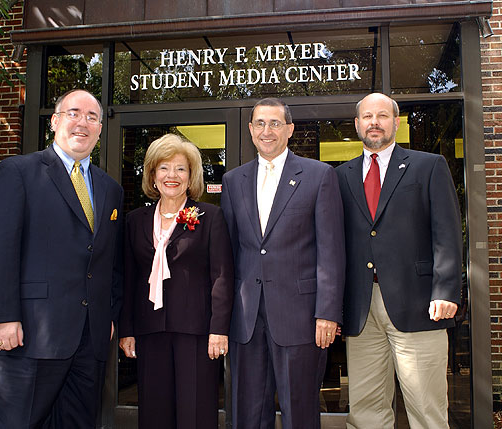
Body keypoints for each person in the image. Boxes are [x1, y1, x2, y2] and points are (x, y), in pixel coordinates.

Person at [0, 89, 124, 428]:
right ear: (55, 121)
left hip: (90, 340)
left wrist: (110, 315)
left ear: (100, 129)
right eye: (74, 113)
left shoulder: (109, 189)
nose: (82, 123)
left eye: (91, 117)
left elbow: (109, 262)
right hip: (31, 334)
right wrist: (2, 316)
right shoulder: (19, 172)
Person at [336, 92, 462, 428]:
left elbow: (447, 233)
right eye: (367, 116)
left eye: (381, 115)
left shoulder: (429, 165)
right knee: (365, 408)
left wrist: (446, 290)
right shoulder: (341, 175)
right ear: (357, 124)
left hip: (418, 303)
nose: (374, 122)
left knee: (426, 407)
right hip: (361, 307)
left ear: (395, 121)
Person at [221, 98, 346, 429]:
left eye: (275, 123)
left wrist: (328, 313)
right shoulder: (233, 181)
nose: (267, 130)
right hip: (246, 319)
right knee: (246, 412)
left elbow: (331, 251)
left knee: (300, 411)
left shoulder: (319, 176)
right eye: (260, 123)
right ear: (250, 130)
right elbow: (228, 253)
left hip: (301, 317)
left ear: (289, 130)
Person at [118, 133, 234, 429]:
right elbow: (129, 278)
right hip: (149, 330)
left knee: (195, 412)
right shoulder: (135, 221)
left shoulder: (209, 216)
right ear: (153, 176)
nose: (172, 175)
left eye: (181, 168)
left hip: (196, 333)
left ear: (191, 176)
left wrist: (219, 329)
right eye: (164, 168)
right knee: (154, 412)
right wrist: (127, 329)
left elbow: (221, 276)